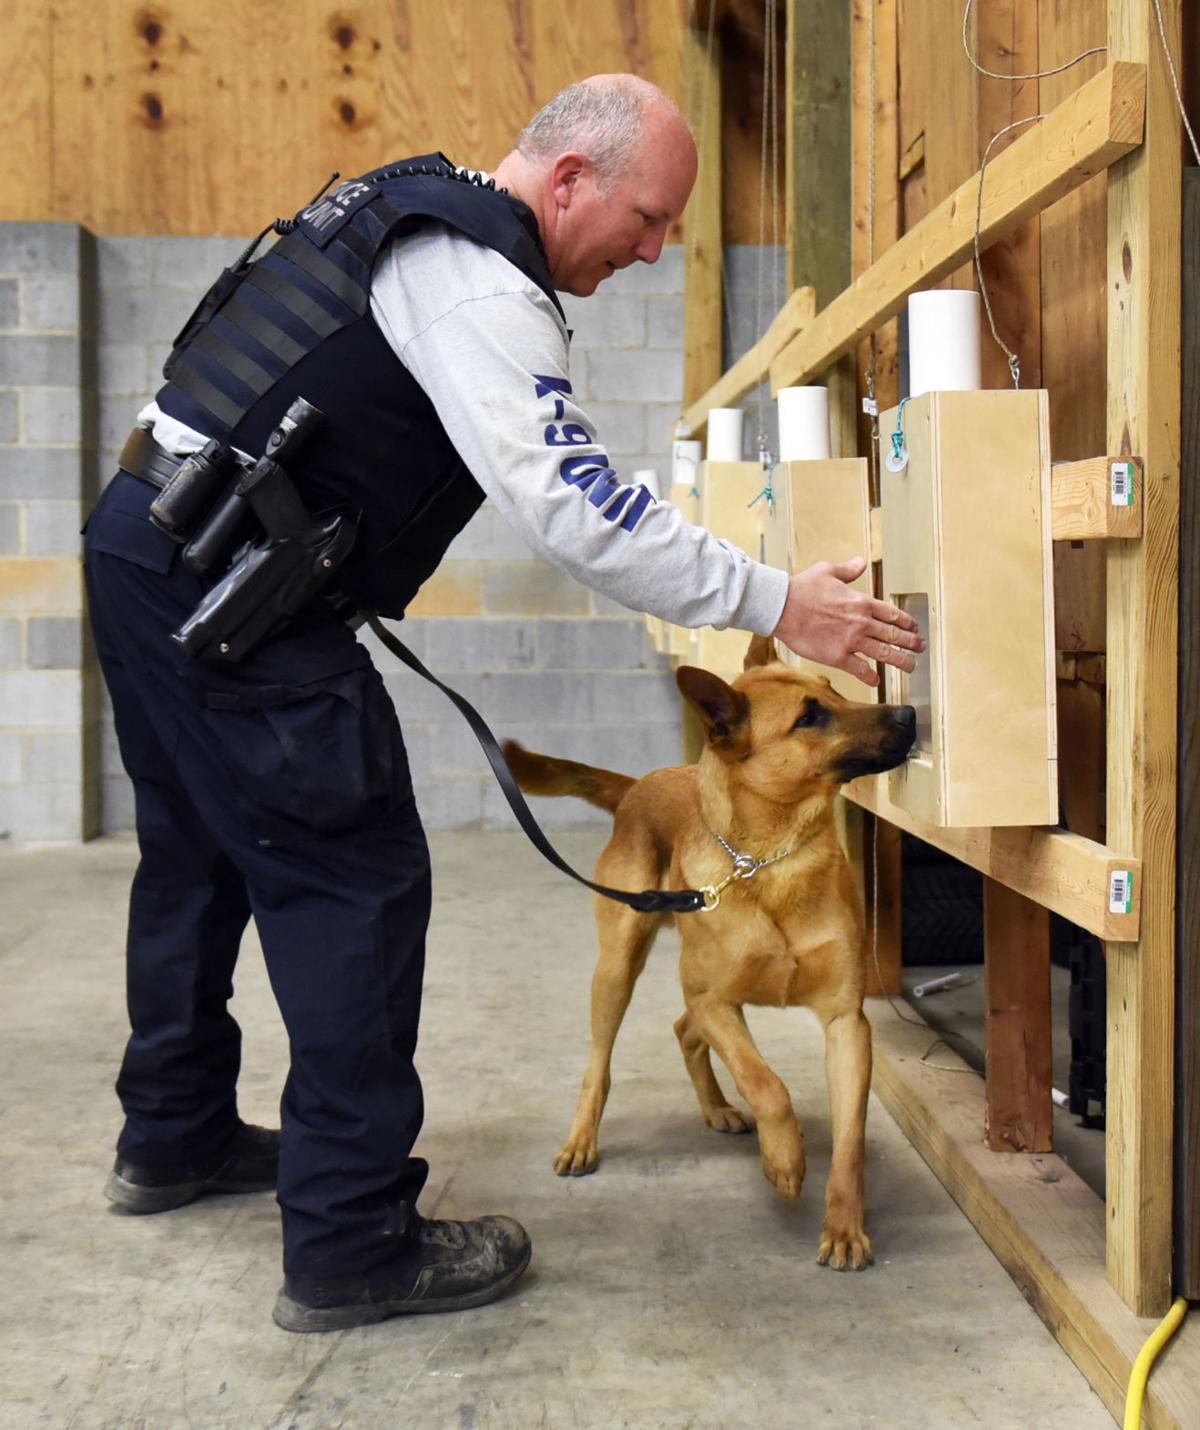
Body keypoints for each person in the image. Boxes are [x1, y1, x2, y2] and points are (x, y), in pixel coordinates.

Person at [83, 73, 922, 1334]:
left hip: (150, 549)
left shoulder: (413, 217)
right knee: (353, 883)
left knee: (196, 852)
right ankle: (353, 1238)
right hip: (231, 594)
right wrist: (776, 599)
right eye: (646, 219)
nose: (650, 250)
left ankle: (176, 1132)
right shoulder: (481, 279)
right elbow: (573, 507)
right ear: (570, 178)